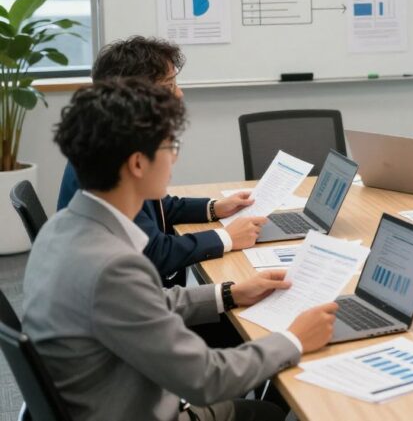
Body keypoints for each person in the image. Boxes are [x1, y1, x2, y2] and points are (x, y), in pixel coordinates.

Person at [23, 79, 339, 421]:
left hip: (101, 398)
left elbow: (146, 303)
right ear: (138, 164)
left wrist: (229, 292)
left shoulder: (63, 227)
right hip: (135, 410)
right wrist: (294, 339)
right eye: (170, 144)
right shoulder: (113, 266)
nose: (174, 157)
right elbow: (207, 380)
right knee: (270, 413)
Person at [56, 36, 264, 285]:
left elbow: (160, 207)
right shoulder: (113, 160)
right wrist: (226, 238)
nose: (179, 93)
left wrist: (215, 208)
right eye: (169, 86)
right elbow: (153, 252)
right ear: (136, 94)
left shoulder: (106, 143)